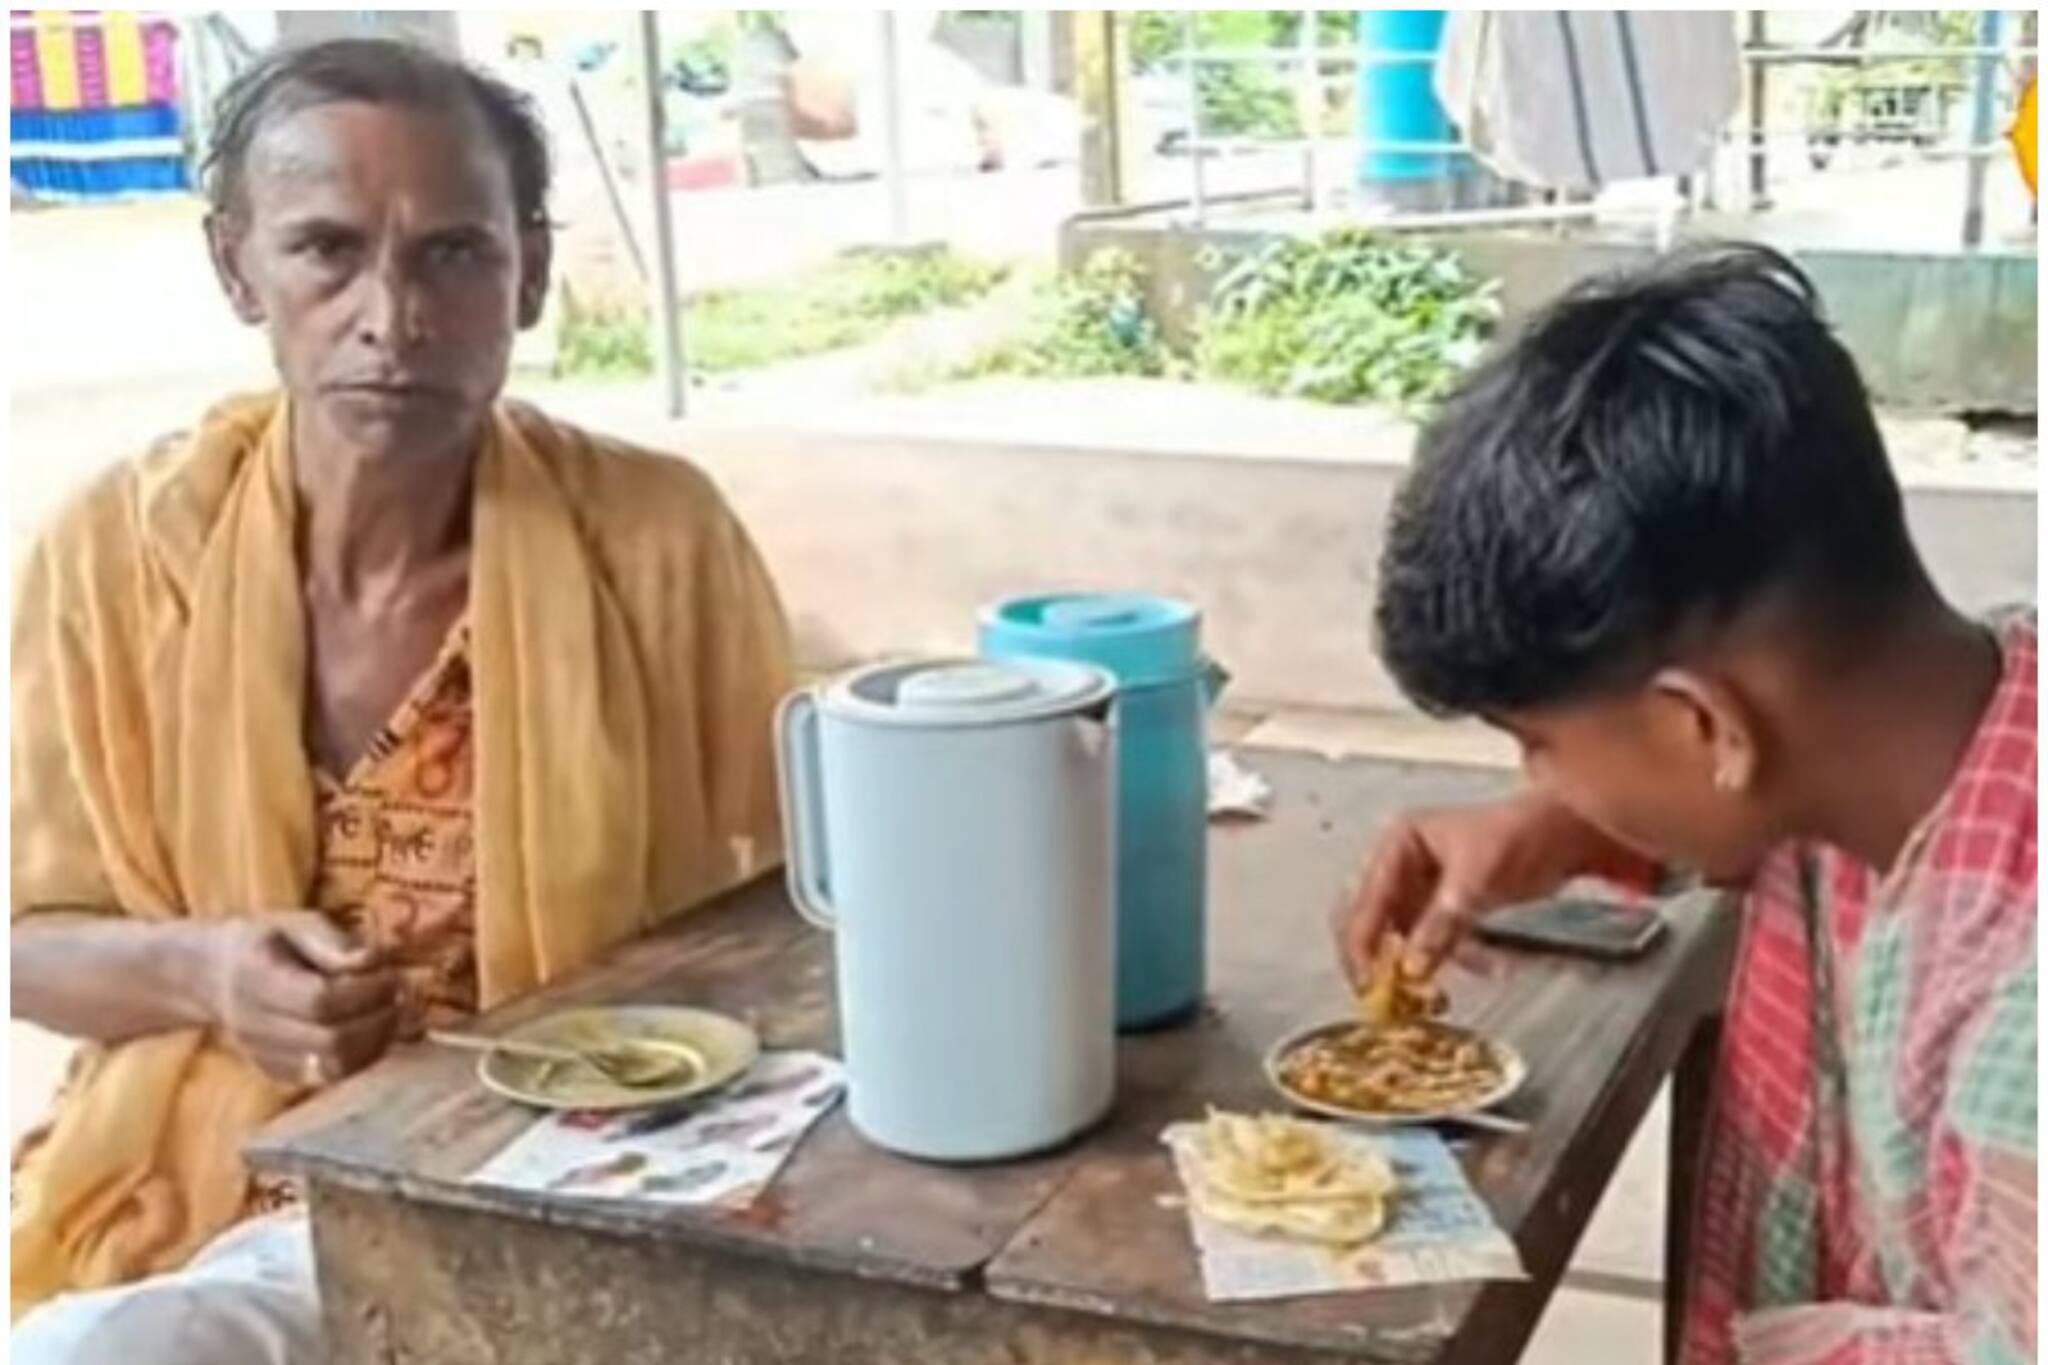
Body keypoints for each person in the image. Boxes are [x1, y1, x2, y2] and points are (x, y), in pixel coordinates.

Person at [10, 38, 794, 1361]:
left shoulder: (655, 539)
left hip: (579, 1172)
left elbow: (798, 904)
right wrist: (207, 970)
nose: (392, 315)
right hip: (228, 1190)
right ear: (236, 269)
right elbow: (28, 945)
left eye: (454, 253)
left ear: (527, 275)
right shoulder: (119, 555)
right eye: (325, 250)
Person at [1333, 244, 2034, 1364]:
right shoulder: (1918, 726)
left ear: (1703, 726)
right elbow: (1771, 775)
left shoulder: (2020, 1040)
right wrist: (1572, 824)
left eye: (1537, 746)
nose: (1534, 779)